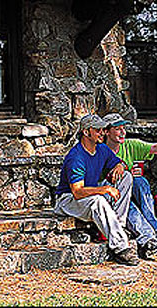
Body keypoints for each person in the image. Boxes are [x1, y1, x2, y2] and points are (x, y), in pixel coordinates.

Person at [54, 114, 140, 266]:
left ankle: (118, 227)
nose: (102, 133)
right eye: (98, 130)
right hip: (68, 200)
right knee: (98, 200)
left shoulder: (101, 149)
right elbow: (77, 192)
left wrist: (120, 165)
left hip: (89, 197)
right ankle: (120, 248)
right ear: (86, 132)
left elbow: (119, 162)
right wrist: (104, 189)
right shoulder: (76, 157)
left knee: (126, 177)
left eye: (103, 129)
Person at [102, 112, 157, 255]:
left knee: (141, 183)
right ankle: (148, 240)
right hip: (111, 195)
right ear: (106, 131)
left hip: (128, 189)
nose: (123, 132)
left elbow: (153, 148)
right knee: (128, 203)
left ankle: (156, 231)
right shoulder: (100, 151)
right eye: (118, 129)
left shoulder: (129, 145)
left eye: (124, 128)